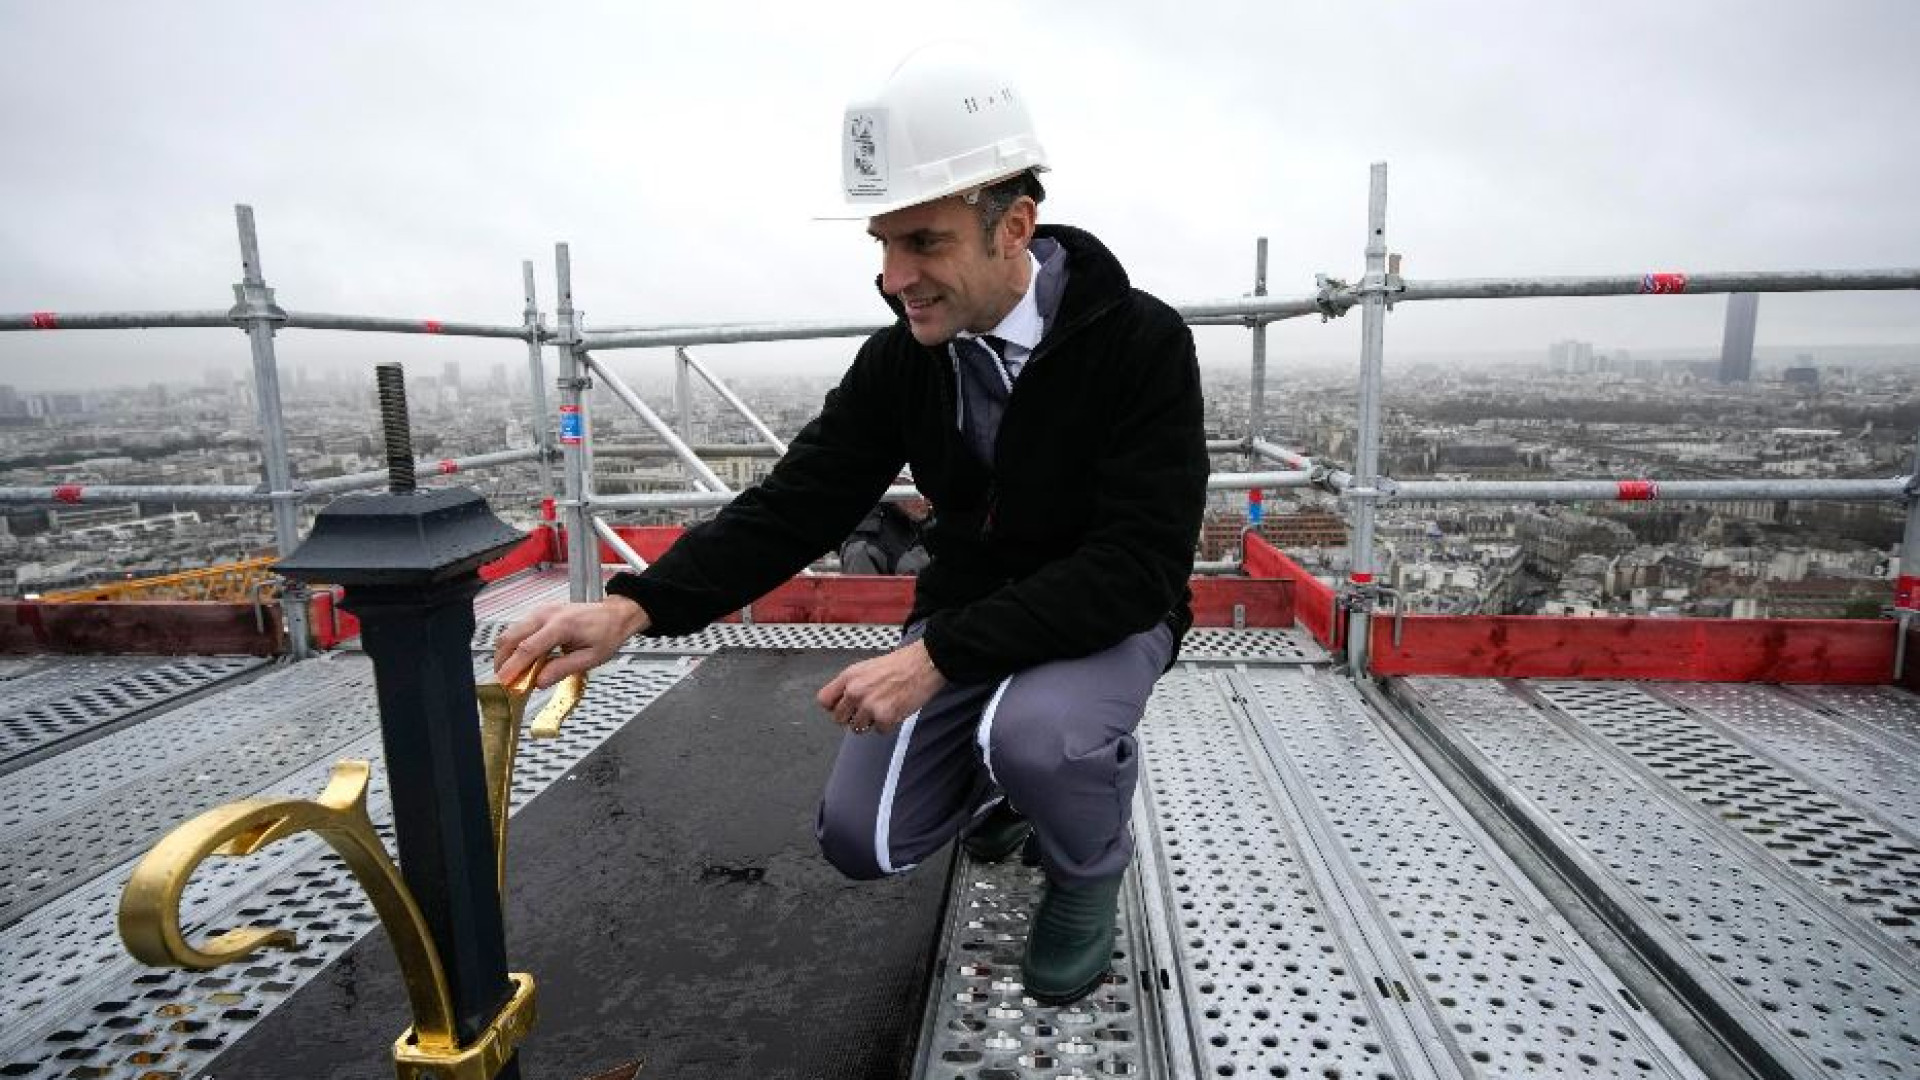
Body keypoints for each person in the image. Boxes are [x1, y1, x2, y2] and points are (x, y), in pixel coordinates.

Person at [495, 42, 1207, 1007]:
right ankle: (1011, 791)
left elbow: (1135, 565)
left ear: (1014, 227)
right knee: (863, 840)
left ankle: (1087, 866)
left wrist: (937, 657)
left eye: (923, 243)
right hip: (973, 612)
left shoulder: (1139, 342)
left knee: (1042, 736)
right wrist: (636, 606)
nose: (892, 275)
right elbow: (802, 501)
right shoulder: (907, 359)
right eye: (882, 244)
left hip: (1107, 619)